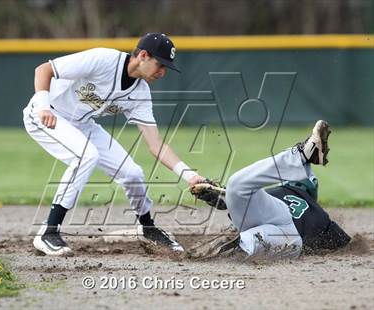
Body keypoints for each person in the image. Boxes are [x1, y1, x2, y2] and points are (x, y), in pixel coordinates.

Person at [23, 33, 205, 256]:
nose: (163, 72)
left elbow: (156, 144)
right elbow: (44, 70)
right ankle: (48, 231)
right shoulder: (103, 59)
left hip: (82, 124)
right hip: (46, 114)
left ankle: (147, 228)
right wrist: (43, 107)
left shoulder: (140, 93)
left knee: (132, 173)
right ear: (144, 56)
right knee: (86, 156)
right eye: (160, 64)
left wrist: (189, 176)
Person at [190, 120, 351, 258]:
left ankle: (300, 155)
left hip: (271, 225)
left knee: (236, 185)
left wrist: (228, 199)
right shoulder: (321, 215)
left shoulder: (278, 191)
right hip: (290, 239)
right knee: (256, 240)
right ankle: (240, 245)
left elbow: (251, 205)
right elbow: (344, 245)